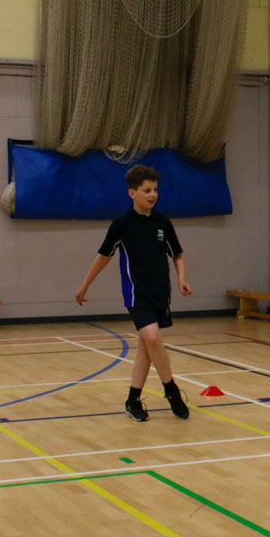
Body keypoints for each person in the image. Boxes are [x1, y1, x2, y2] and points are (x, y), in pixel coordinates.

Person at [75, 164, 193, 421]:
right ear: (132, 193)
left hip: (160, 292)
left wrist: (182, 278)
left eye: (155, 190)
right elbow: (103, 258)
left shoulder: (163, 222)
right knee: (152, 338)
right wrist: (85, 286)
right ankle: (171, 390)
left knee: (145, 347)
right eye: (147, 190)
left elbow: (178, 254)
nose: (153, 195)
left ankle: (132, 400)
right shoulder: (122, 224)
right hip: (136, 294)